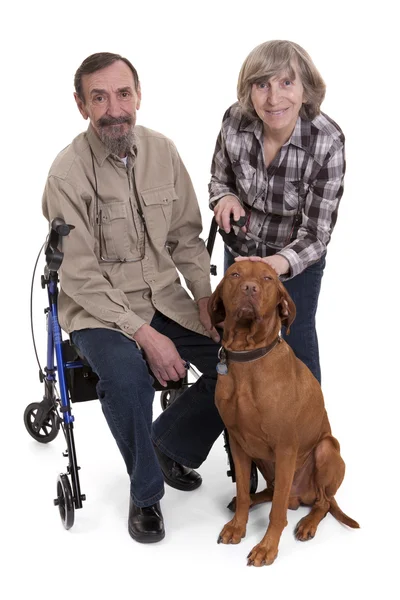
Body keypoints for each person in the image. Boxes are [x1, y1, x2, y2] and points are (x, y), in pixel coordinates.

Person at [42, 52, 223, 543]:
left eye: (123, 94)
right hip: (97, 310)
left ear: (138, 96)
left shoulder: (163, 151)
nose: (114, 108)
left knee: (238, 364)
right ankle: (145, 495)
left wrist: (206, 302)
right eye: (98, 97)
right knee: (127, 380)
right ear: (81, 106)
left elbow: (186, 238)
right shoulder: (66, 174)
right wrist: (145, 337)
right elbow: (78, 276)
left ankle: (169, 443)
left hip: (165, 295)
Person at [209, 40, 345, 384]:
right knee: (237, 337)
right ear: (249, 90)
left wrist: (273, 267)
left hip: (295, 259)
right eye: (262, 85)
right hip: (242, 252)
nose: (273, 98)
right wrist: (224, 198)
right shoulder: (234, 121)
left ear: (306, 89)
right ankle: (238, 429)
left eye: (286, 82)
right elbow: (219, 179)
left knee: (295, 341)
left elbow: (317, 234)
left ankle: (308, 432)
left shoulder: (327, 142)